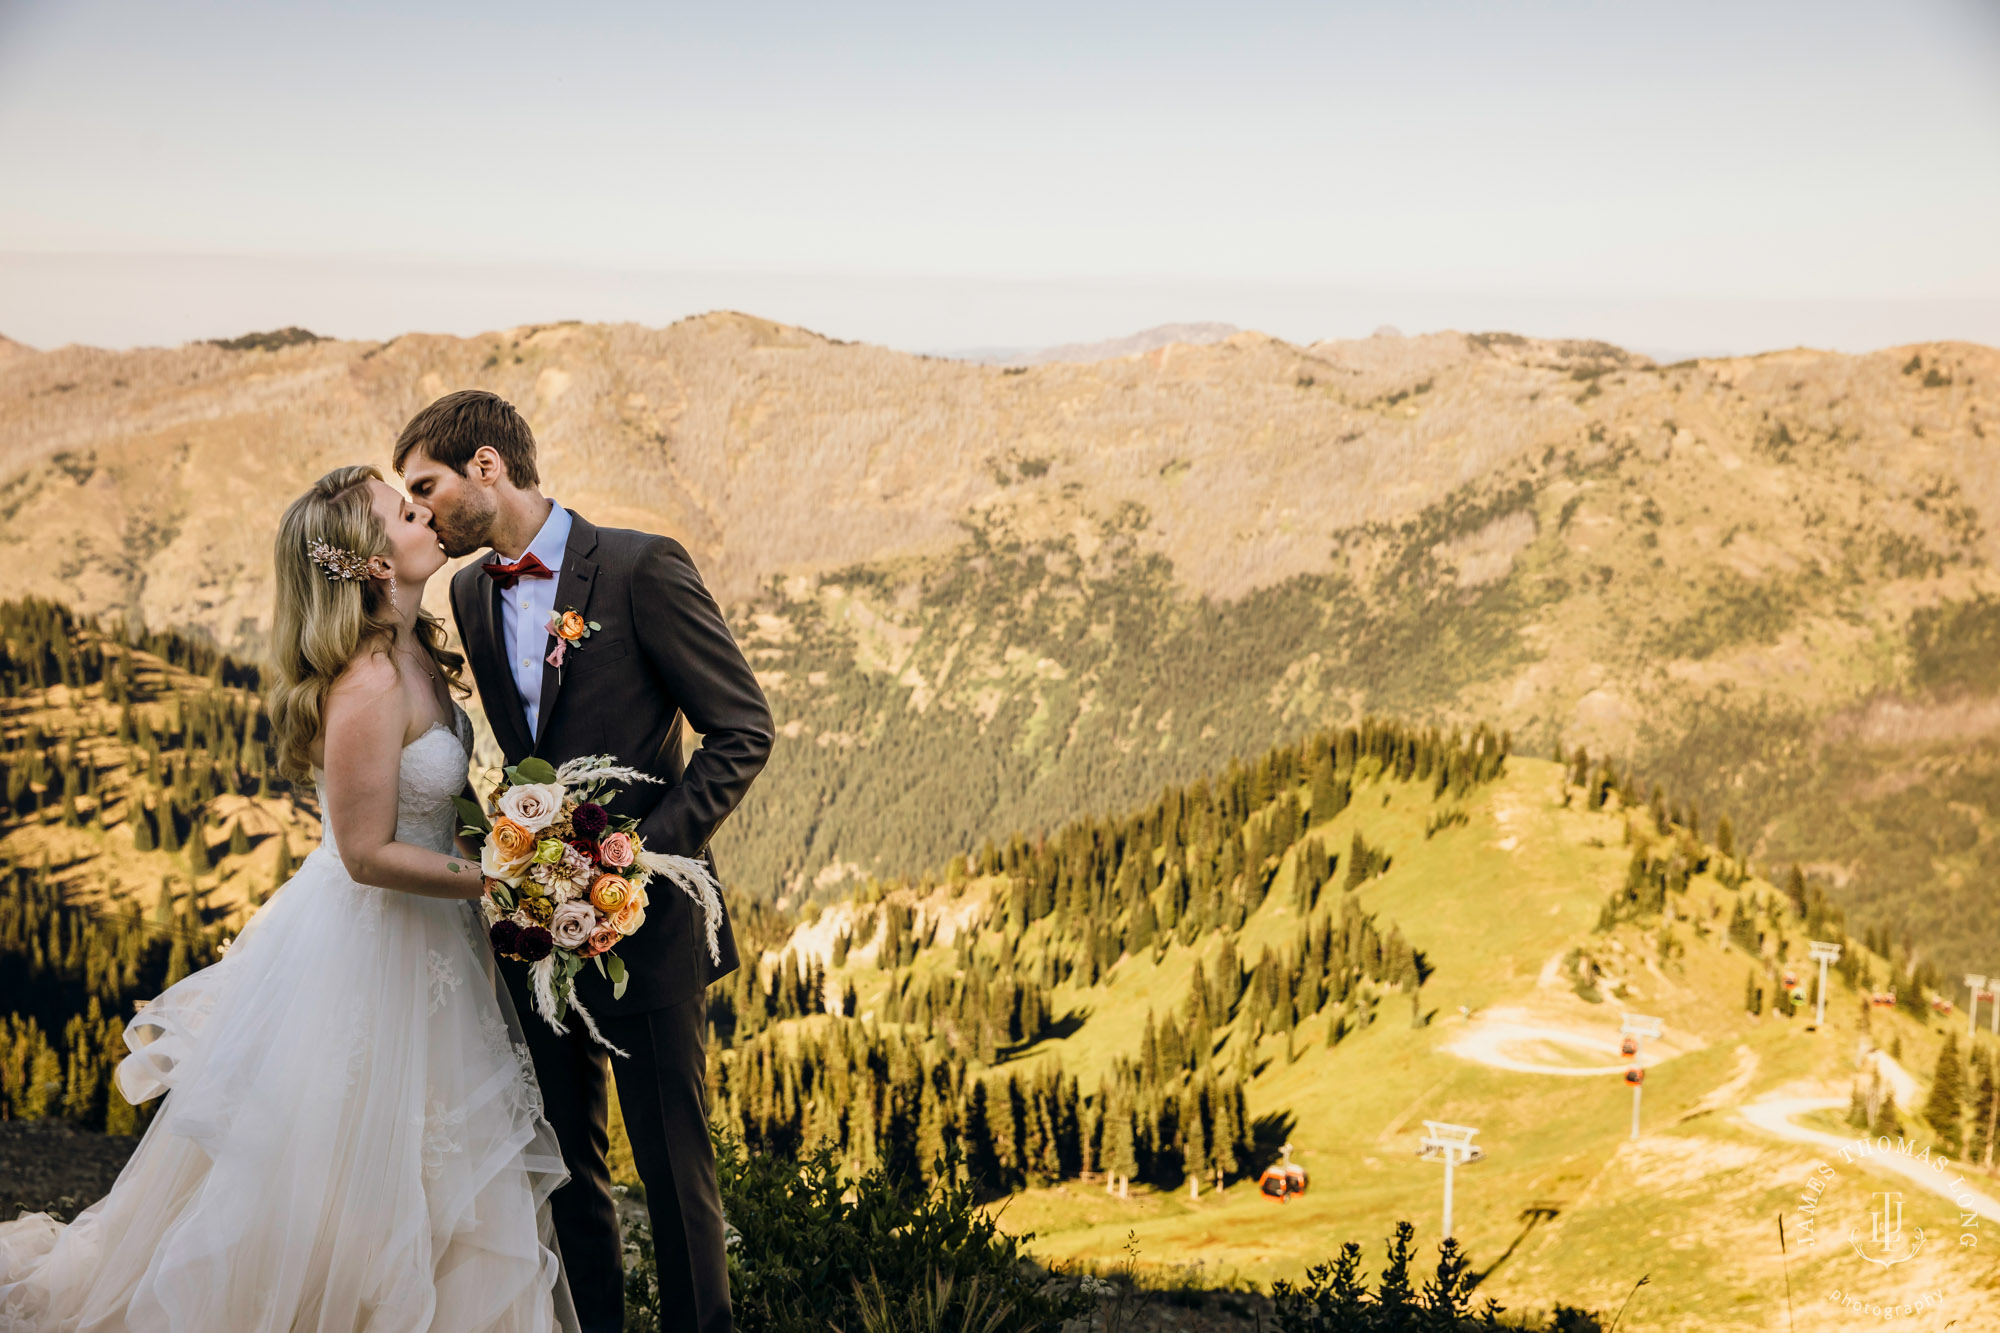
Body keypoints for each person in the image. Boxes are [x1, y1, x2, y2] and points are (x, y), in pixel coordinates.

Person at [0, 465, 576, 1331]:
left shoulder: (416, 651)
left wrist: (513, 865)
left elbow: (441, 816)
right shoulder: (366, 684)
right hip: (365, 949)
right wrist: (499, 879)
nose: (428, 516)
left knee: (439, 1180)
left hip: (437, 947)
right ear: (376, 563)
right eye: (406, 510)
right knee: (332, 1183)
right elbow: (364, 852)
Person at [398, 390, 771, 1333]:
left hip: (646, 930)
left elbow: (742, 727)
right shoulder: (470, 592)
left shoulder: (644, 567)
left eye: (426, 485)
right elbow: (526, 753)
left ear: (487, 467)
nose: (420, 508)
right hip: (533, 933)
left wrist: (640, 863)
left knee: (677, 1179)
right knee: (567, 1176)